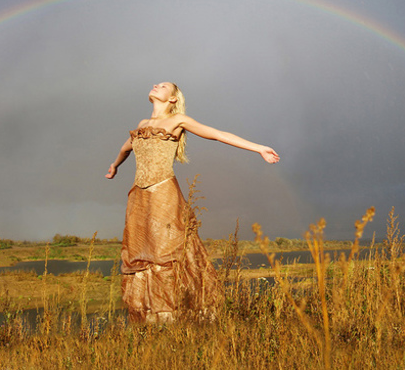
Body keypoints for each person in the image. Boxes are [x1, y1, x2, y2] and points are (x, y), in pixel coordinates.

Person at [105, 82, 280, 323]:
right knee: (141, 253)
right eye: (156, 83)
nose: (156, 85)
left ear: (173, 99)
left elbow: (217, 135)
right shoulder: (142, 126)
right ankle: (151, 316)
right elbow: (127, 147)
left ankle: (177, 313)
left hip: (163, 193)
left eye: (163, 85)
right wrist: (115, 165)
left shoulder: (178, 121)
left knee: (166, 252)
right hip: (139, 197)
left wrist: (258, 148)